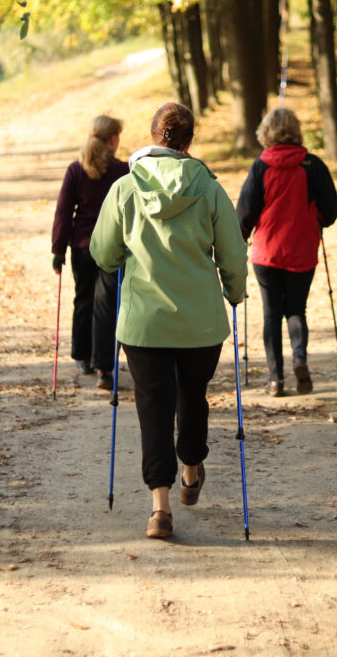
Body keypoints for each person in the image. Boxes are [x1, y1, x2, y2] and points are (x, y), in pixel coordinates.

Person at [90, 102, 247, 540]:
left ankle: (159, 509)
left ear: (153, 135)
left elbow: (102, 253)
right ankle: (191, 467)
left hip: (143, 322)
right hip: (200, 322)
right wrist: (234, 291)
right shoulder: (210, 189)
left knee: (153, 407)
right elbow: (233, 253)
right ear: (188, 141)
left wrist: (127, 253)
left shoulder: (124, 188)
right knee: (192, 395)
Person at [236, 107, 337, 397]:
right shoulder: (313, 166)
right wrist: (313, 221)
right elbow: (330, 212)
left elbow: (244, 214)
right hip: (302, 248)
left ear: (266, 132)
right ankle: (300, 360)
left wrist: (240, 240)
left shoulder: (261, 166)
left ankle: (275, 379)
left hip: (266, 251)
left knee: (271, 314)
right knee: (297, 309)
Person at [51, 115, 129, 391]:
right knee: (107, 304)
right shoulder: (122, 171)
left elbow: (63, 211)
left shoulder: (76, 169)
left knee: (83, 298)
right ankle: (104, 368)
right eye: (117, 137)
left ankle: (82, 356)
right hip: (111, 247)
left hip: (82, 247)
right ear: (111, 140)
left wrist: (58, 250)